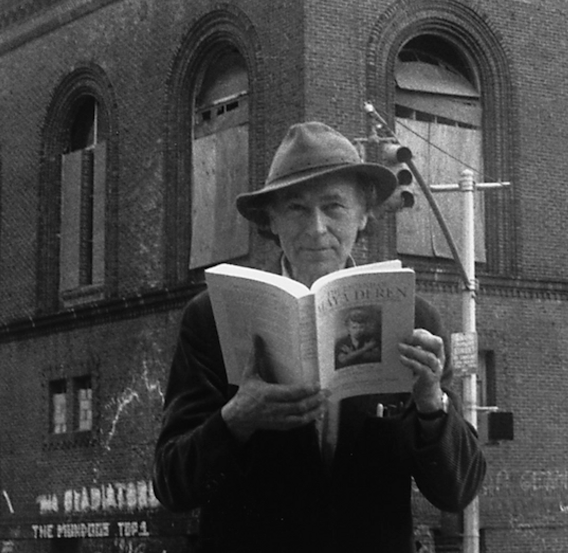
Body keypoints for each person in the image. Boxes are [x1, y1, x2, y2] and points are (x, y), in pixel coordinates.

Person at [154, 121, 487, 553]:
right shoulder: (212, 316)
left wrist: (429, 404)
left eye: (334, 207)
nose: (316, 228)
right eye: (295, 208)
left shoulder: (411, 315)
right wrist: (235, 420)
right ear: (271, 220)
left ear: (364, 214)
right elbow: (171, 484)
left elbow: (457, 491)